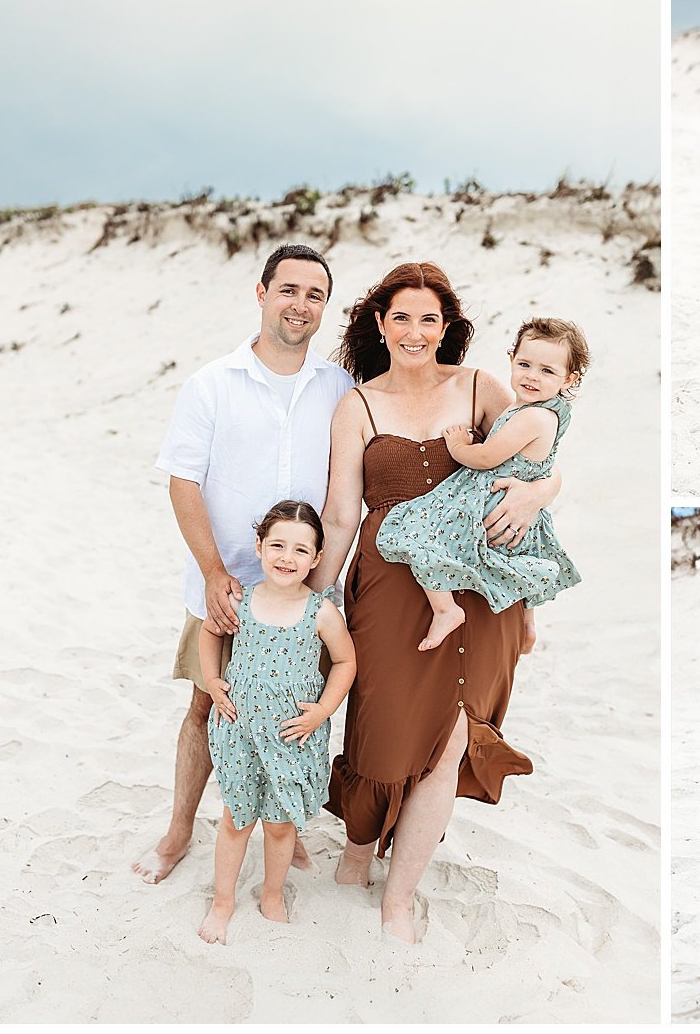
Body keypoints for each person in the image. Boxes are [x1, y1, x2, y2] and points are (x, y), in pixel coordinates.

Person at [309, 261, 557, 944]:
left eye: (429, 318)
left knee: (449, 742)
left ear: (447, 327)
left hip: (479, 588)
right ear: (380, 324)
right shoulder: (356, 405)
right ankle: (357, 855)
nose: (415, 331)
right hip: (389, 584)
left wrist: (541, 493)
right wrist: (315, 601)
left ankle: (400, 898)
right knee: (382, 738)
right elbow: (336, 515)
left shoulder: (479, 386)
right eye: (402, 317)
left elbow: (536, 456)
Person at [134, 244, 352, 885]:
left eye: (315, 295)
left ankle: (288, 825)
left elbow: (347, 492)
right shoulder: (212, 383)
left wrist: (323, 580)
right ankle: (178, 832)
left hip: (305, 591)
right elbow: (182, 481)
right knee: (209, 708)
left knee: (293, 708)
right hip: (226, 585)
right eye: (289, 290)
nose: (301, 305)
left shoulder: (338, 388)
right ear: (261, 293)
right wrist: (210, 571)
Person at [376, 317, 587, 653]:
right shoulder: (535, 408)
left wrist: (458, 447)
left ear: (569, 379)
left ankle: (445, 609)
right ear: (511, 360)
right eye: (525, 364)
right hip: (516, 502)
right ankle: (528, 625)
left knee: (421, 529)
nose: (532, 376)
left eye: (547, 371)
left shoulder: (534, 416)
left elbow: (488, 457)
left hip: (492, 498)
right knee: (524, 553)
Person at [197, 501, 355, 944]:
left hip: (291, 737)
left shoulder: (321, 611)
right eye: (278, 545)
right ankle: (222, 901)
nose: (288, 557)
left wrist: (323, 710)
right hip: (241, 731)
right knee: (236, 820)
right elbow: (210, 633)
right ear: (260, 547)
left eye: (301, 550)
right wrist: (213, 680)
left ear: (317, 559)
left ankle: (271, 894)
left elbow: (345, 661)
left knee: (281, 824)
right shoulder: (240, 599)